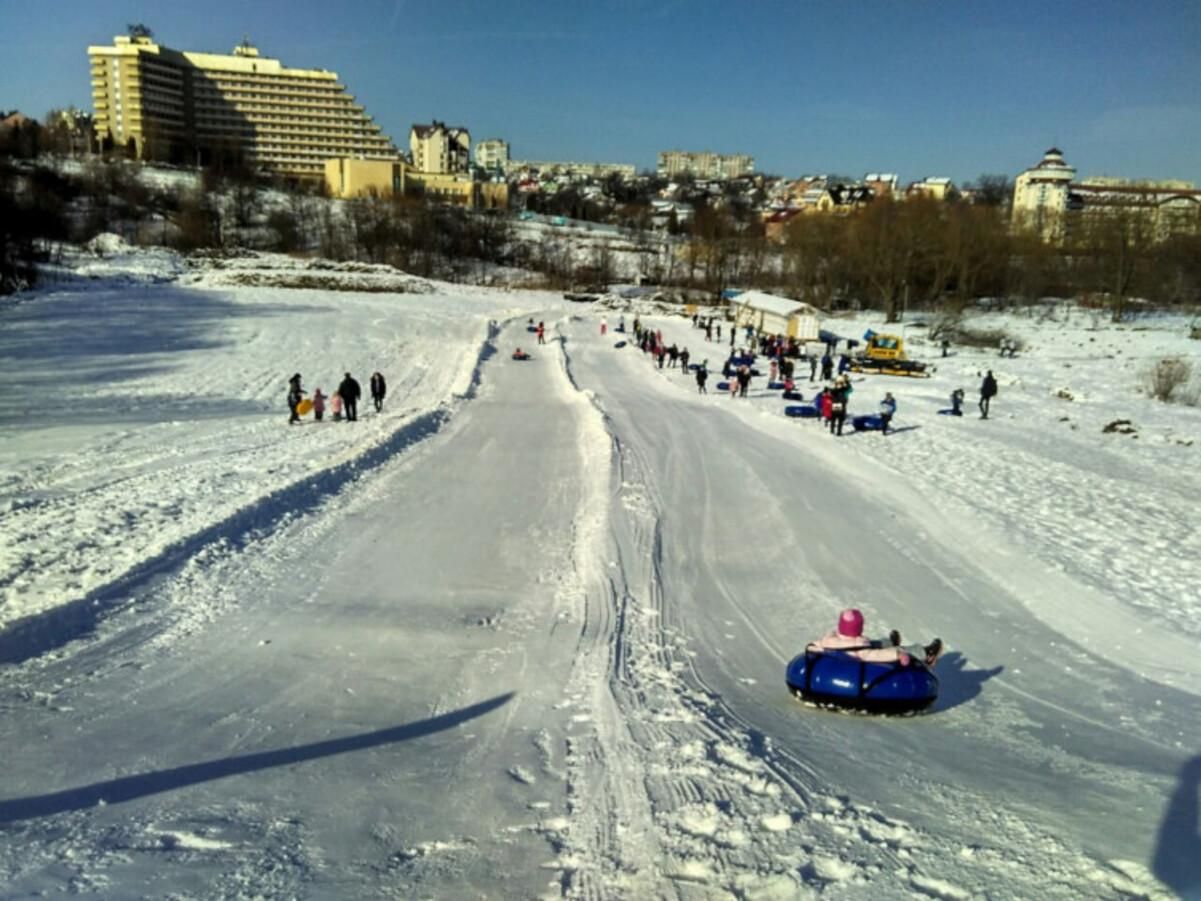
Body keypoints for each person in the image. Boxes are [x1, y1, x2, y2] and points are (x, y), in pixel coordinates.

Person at [808, 608, 943, 667]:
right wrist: (898, 654)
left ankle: (888, 642)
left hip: (845, 648)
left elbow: (814, 646)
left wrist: (811, 647)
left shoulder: (828, 641)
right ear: (859, 628)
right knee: (895, 649)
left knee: (871, 643)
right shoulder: (861, 650)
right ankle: (926, 653)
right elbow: (879, 655)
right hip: (858, 652)